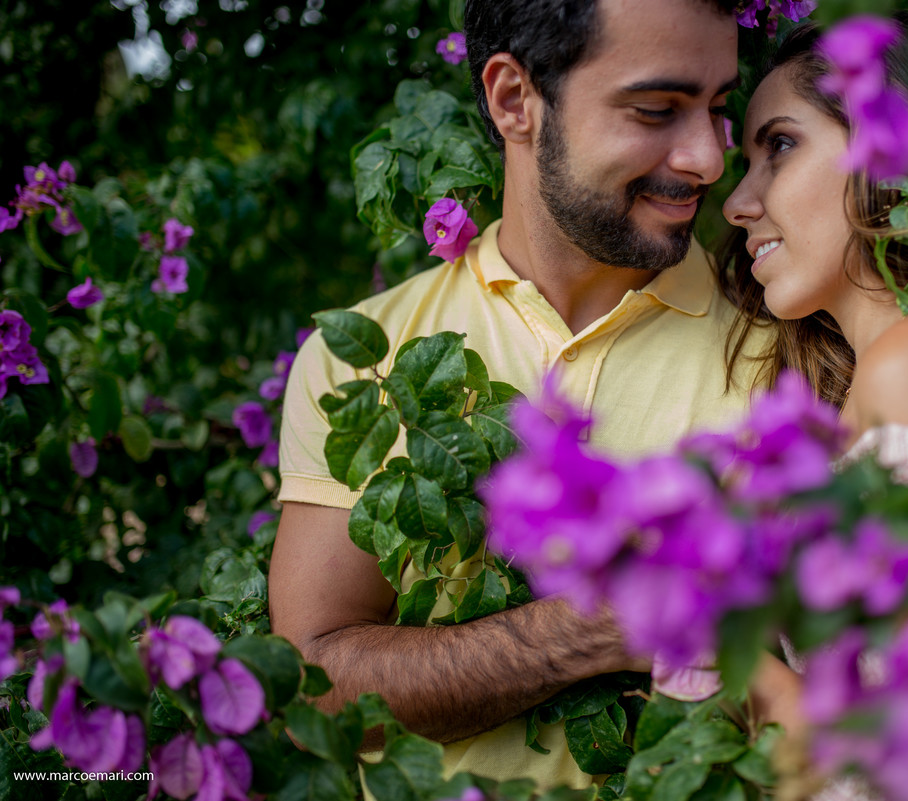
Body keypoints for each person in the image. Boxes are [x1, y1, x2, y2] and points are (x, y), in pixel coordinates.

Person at [269, 0, 763, 791]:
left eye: (718, 107)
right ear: (513, 100)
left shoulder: (787, 360)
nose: (707, 157)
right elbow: (315, 681)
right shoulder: (365, 357)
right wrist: (594, 628)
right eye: (656, 110)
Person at [721, 22, 908, 491]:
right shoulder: (875, 373)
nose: (735, 206)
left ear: (892, 144)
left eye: (779, 145)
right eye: (746, 167)